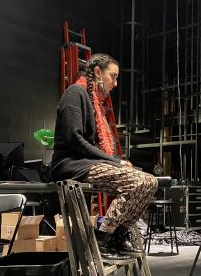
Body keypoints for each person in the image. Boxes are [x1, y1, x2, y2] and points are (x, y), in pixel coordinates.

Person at [51, 53, 158, 259]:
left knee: (149, 182)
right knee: (135, 181)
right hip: (70, 164)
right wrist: (114, 162)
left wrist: (116, 163)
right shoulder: (75, 93)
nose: (115, 83)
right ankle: (104, 238)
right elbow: (74, 139)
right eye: (113, 76)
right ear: (98, 73)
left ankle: (118, 235)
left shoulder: (94, 103)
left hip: (86, 163)